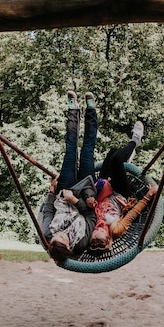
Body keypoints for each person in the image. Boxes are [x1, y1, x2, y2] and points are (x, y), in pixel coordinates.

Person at [41, 91, 99, 262]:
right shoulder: (81, 241)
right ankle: (91, 111)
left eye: (55, 238)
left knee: (70, 149)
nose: (59, 234)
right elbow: (91, 217)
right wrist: (75, 201)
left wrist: (52, 190)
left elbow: (48, 211)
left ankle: (73, 110)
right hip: (84, 193)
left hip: (64, 191)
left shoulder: (48, 233)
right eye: (62, 239)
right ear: (69, 247)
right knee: (88, 150)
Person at [89, 121, 159, 253]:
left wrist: (90, 202)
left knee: (113, 152)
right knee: (116, 159)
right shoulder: (116, 230)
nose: (98, 229)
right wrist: (149, 194)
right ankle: (135, 140)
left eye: (94, 235)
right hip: (119, 194)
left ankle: (126, 161)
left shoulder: (91, 231)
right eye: (101, 234)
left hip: (102, 190)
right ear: (108, 239)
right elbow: (133, 214)